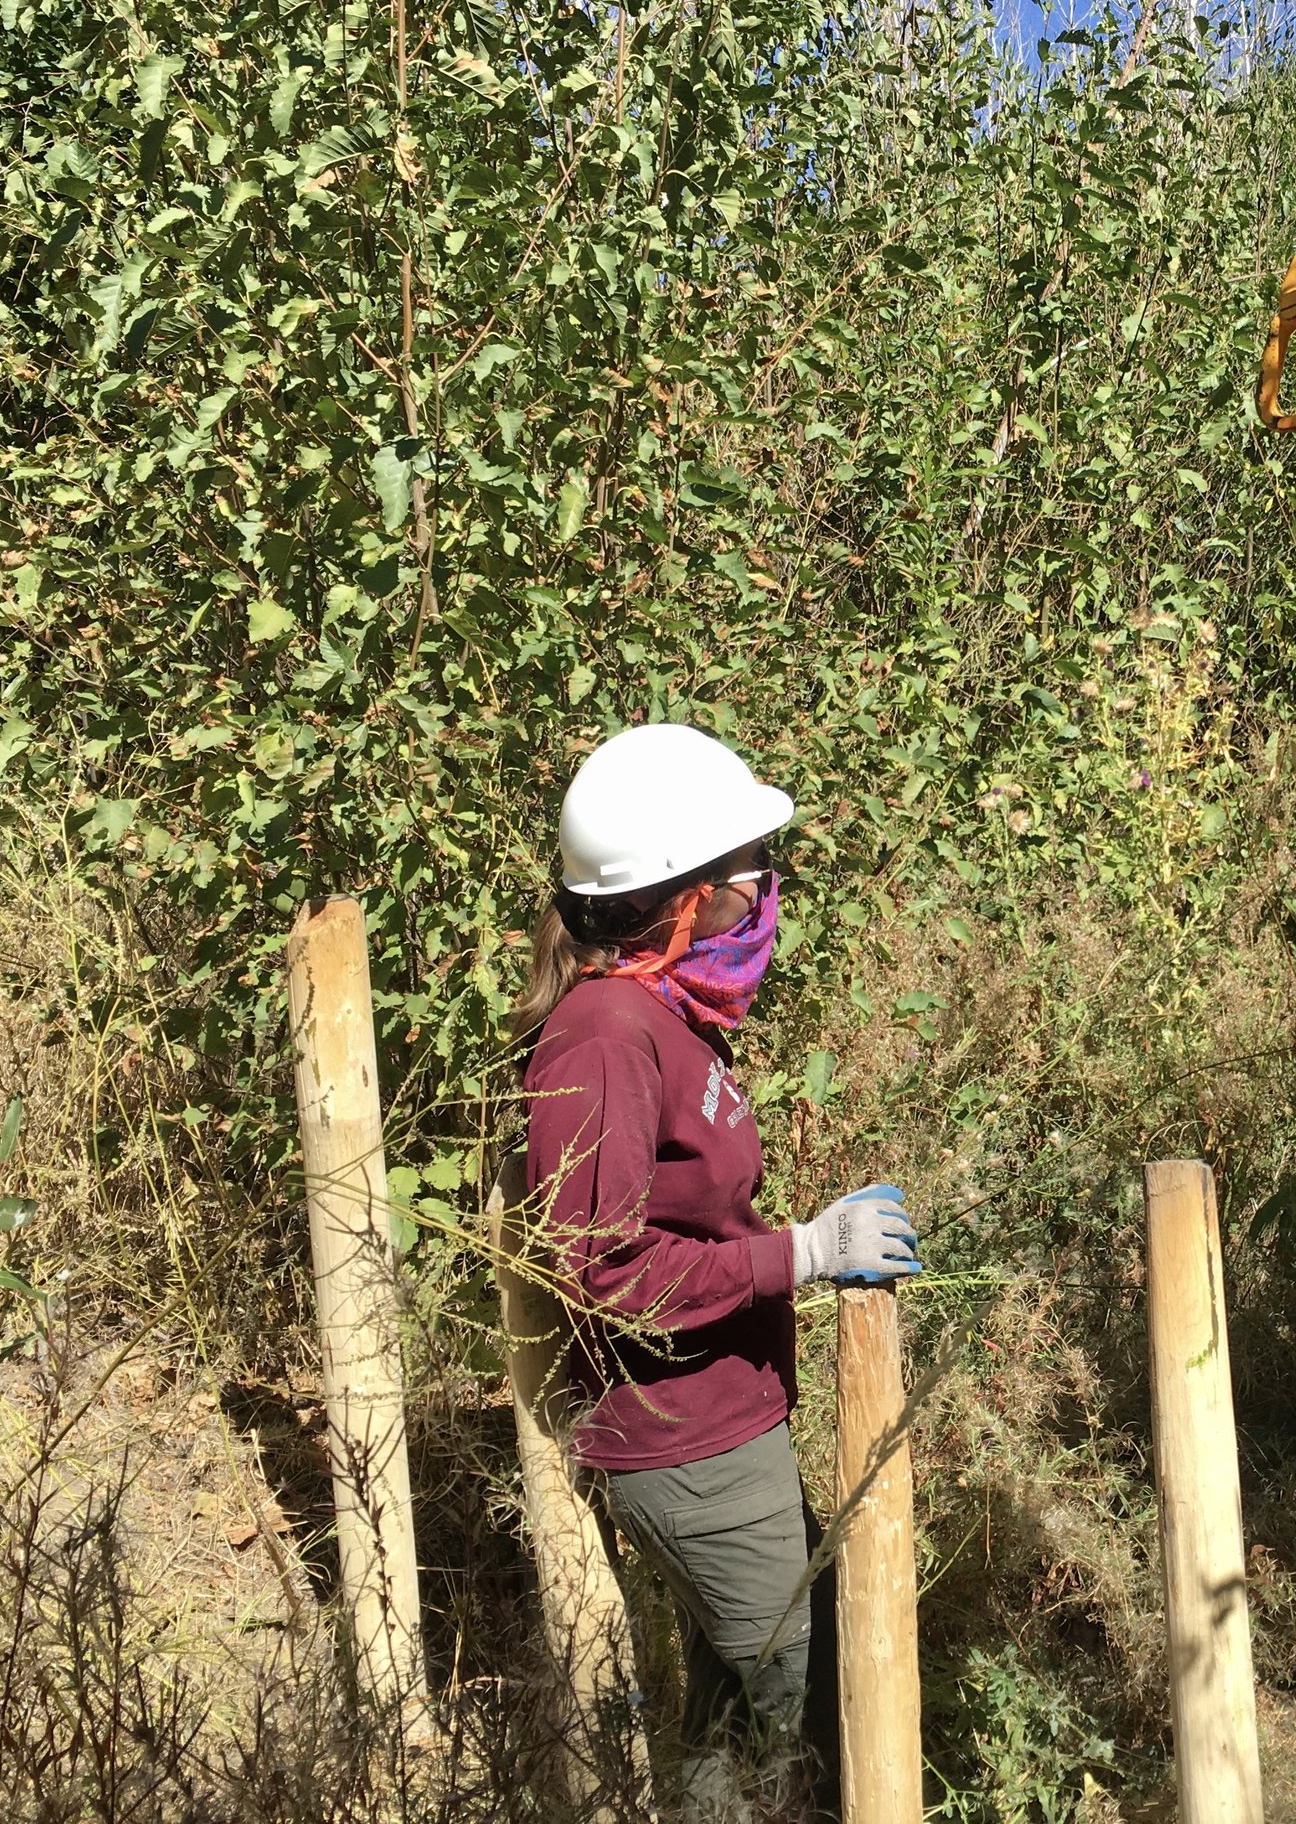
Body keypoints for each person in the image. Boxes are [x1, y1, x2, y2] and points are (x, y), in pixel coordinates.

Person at [510, 722, 924, 1817]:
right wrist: (802, 1254)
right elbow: (600, 1269)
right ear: (679, 897)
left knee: (730, 1723)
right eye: (750, 879)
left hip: (726, 1419)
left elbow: (677, 1217)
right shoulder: (602, 1035)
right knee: (807, 1715)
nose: (766, 901)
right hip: (685, 1443)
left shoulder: (661, 1017)